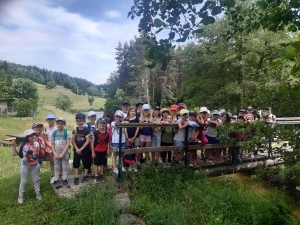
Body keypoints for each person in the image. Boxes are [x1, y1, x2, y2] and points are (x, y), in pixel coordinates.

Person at [12, 129, 42, 204]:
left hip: (35, 165)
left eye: (34, 135)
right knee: (23, 181)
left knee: (36, 180)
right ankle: (20, 196)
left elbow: (38, 154)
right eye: (31, 136)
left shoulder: (37, 144)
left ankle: (37, 193)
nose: (33, 137)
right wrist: (13, 146)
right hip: (25, 165)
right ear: (27, 137)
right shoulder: (22, 144)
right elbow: (15, 154)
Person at [72, 113, 91, 185]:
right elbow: (73, 140)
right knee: (76, 163)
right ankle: (76, 176)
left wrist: (81, 149)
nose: (79, 122)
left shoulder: (87, 130)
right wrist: (77, 149)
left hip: (85, 150)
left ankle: (85, 175)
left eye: (80, 120)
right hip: (76, 150)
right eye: (77, 121)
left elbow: (87, 141)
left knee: (86, 162)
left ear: (84, 121)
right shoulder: (75, 130)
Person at [51, 118, 71, 189]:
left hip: (64, 153)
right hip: (56, 152)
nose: (60, 125)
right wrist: (54, 153)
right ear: (56, 124)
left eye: (61, 124)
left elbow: (68, 144)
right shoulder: (54, 133)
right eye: (58, 123)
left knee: (64, 167)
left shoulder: (66, 132)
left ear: (64, 125)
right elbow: (52, 144)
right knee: (56, 167)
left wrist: (63, 153)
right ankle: (56, 180)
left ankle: (64, 179)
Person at [124, 107, 139, 172]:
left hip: (135, 137)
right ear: (129, 112)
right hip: (128, 138)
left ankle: (134, 166)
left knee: (135, 151)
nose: (133, 112)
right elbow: (125, 129)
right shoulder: (126, 119)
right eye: (131, 111)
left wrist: (134, 137)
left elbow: (138, 128)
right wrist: (128, 138)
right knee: (129, 151)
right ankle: (130, 165)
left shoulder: (137, 119)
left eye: (134, 111)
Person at [44, 114, 56, 183]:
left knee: (59, 161)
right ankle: (53, 175)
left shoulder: (58, 128)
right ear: (46, 120)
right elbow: (45, 140)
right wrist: (51, 146)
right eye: (49, 119)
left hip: (58, 147)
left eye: (52, 119)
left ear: (54, 120)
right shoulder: (46, 129)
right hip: (50, 147)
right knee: (52, 161)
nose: (50, 120)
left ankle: (61, 175)